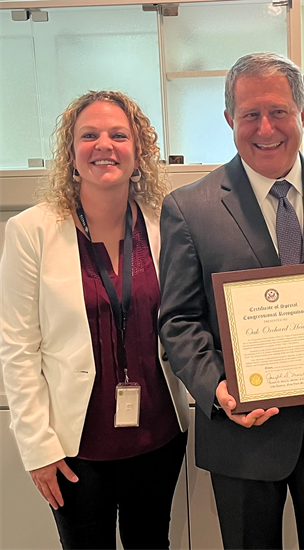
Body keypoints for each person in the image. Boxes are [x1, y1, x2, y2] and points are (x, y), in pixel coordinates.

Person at [158, 52, 304, 550]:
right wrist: (217, 387)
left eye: (279, 111)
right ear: (229, 120)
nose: (266, 128)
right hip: (241, 435)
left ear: (303, 111)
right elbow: (178, 320)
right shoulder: (188, 208)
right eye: (250, 114)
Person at [0, 91, 189, 550]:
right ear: (71, 154)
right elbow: (18, 348)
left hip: (159, 436)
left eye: (118, 135)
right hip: (72, 449)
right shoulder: (31, 232)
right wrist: (38, 450)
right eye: (89, 135)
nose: (104, 145)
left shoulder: (167, 225)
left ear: (138, 152)